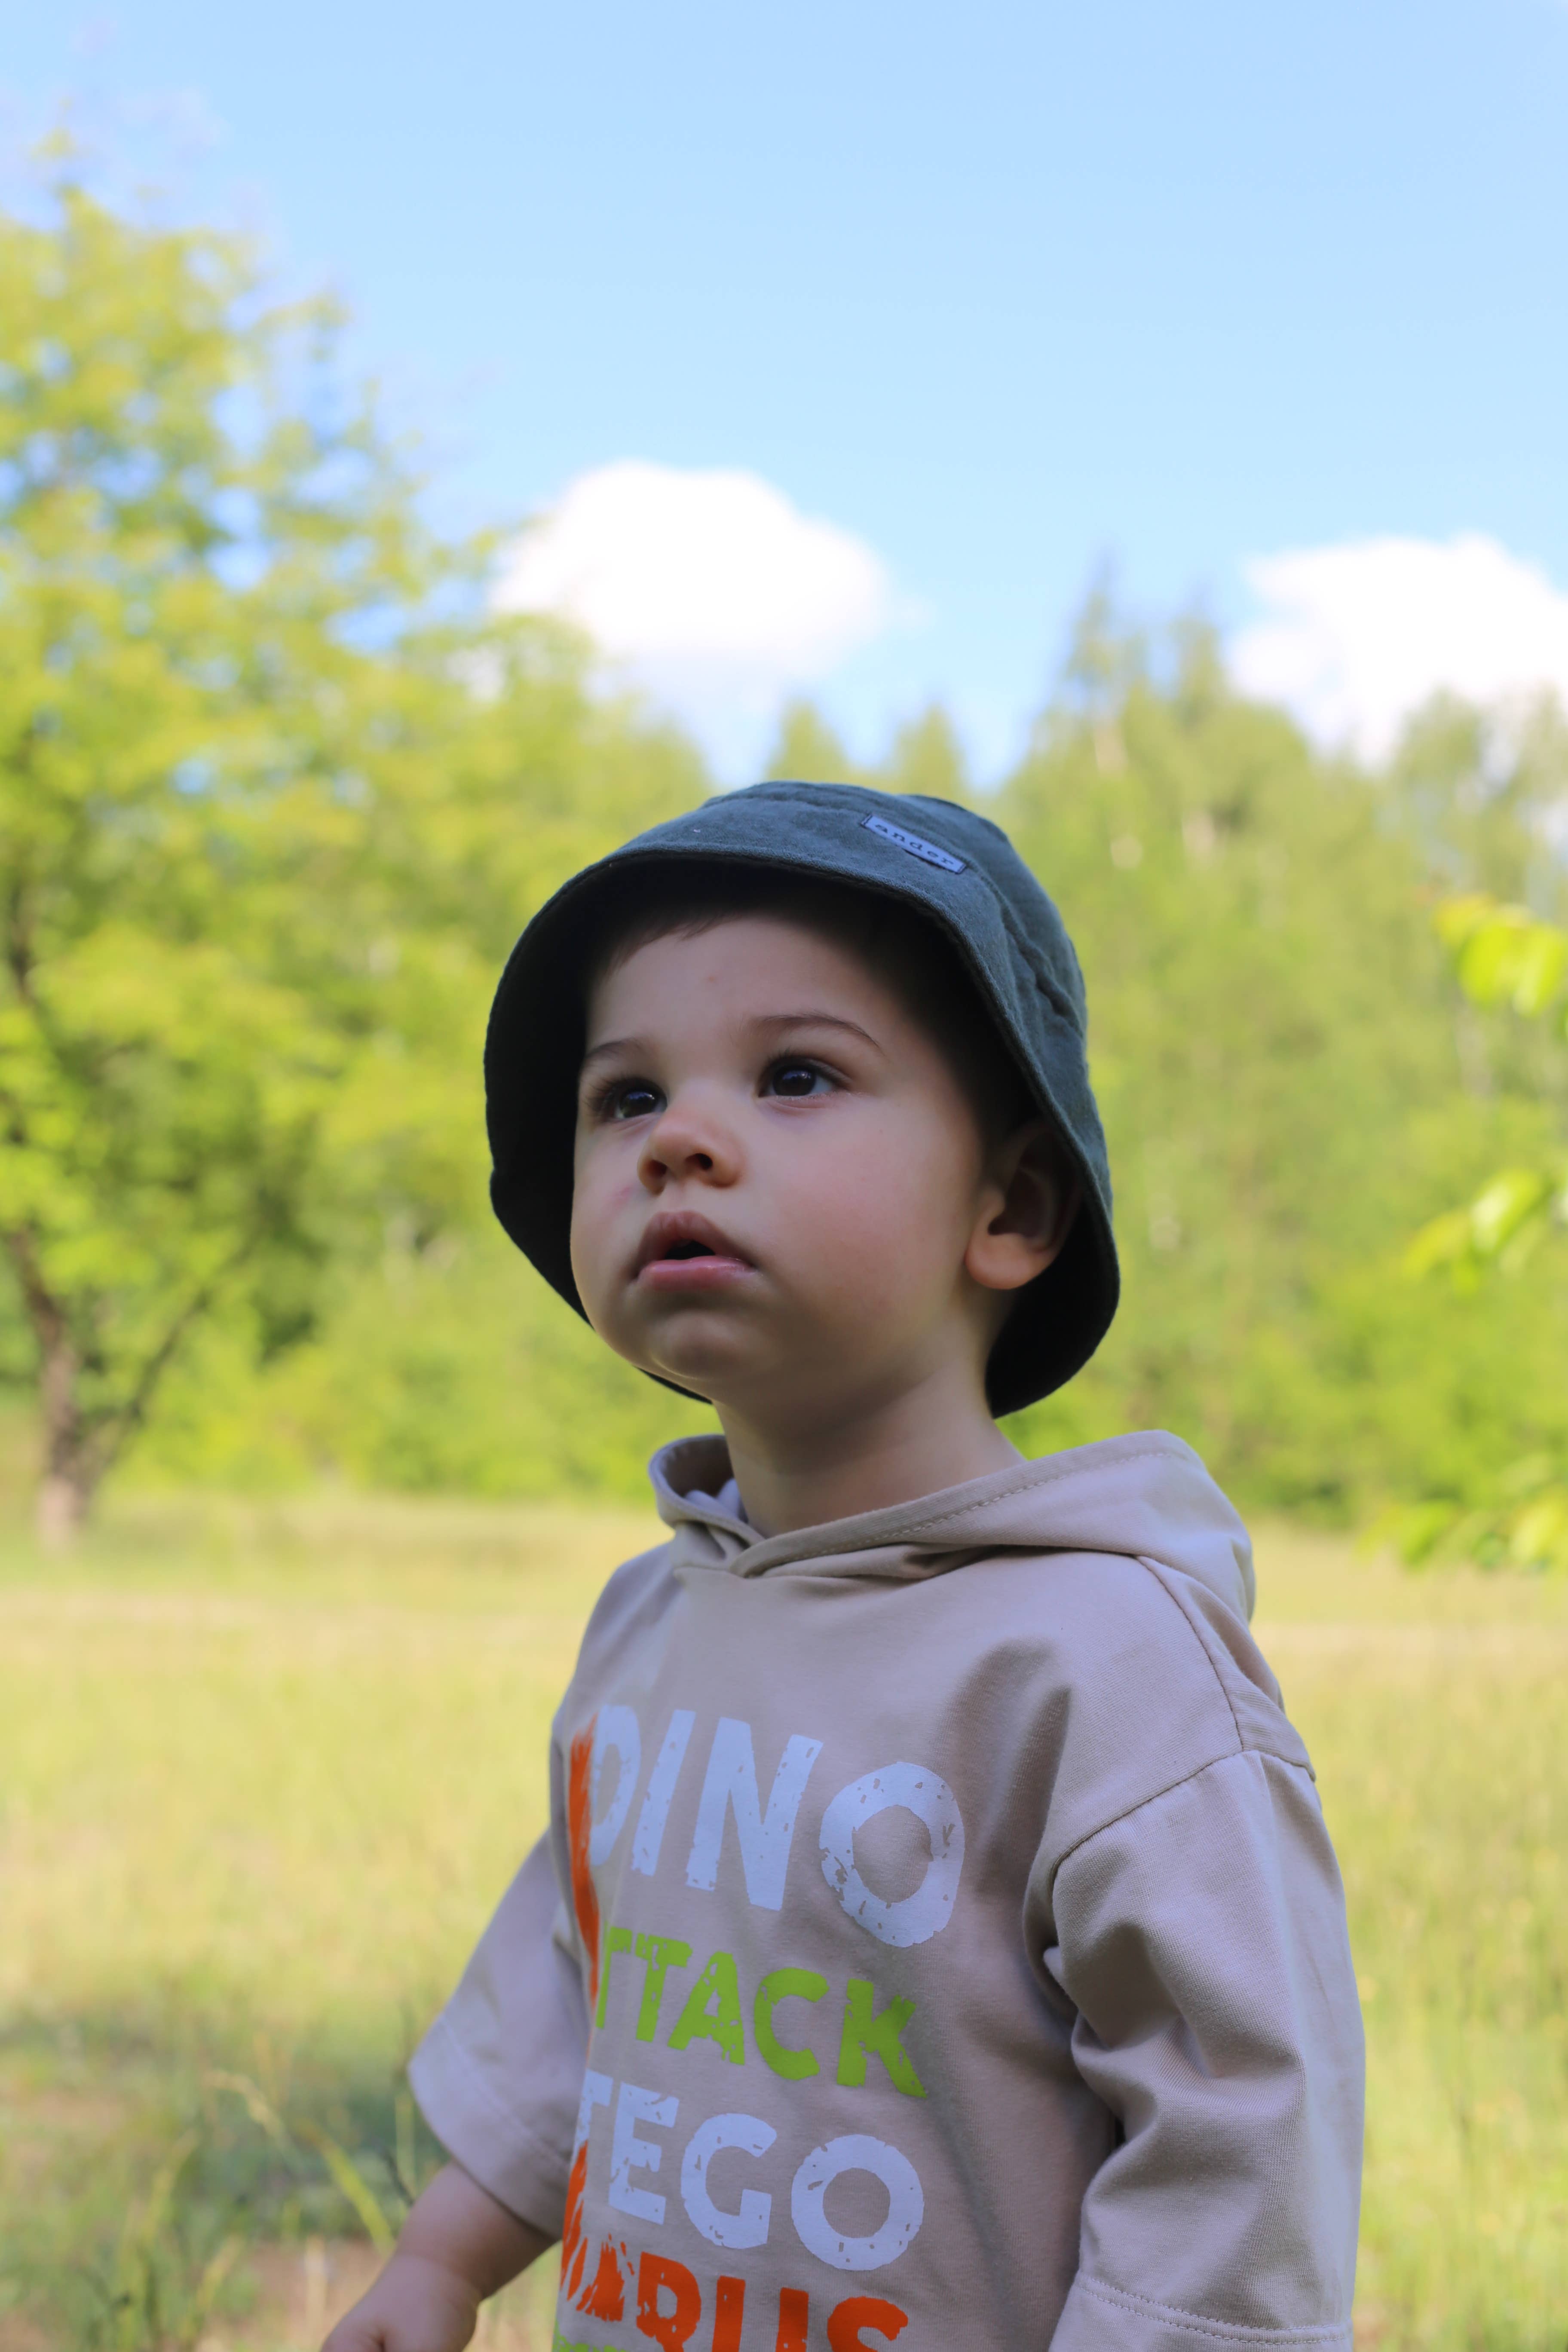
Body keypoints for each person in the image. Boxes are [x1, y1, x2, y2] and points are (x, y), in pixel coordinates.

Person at [326, 781, 1363, 2352]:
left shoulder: (1102, 1661)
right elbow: (578, 1985)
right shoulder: (653, 1619)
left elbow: (1238, 2139)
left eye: (796, 1075)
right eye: (623, 1099)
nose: (679, 1139)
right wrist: (439, 2262)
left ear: (1007, 1205)